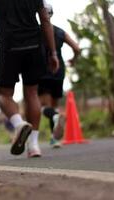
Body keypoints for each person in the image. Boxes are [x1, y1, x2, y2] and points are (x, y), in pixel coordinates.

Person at [0, 0, 59, 157]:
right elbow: (45, 19)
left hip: (9, 47)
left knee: (4, 95)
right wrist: (53, 52)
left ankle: (18, 123)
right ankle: (34, 146)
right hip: (34, 46)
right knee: (32, 93)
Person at [39, 4, 81, 148]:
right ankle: (55, 139)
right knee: (54, 106)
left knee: (43, 106)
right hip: (59, 71)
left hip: (42, 71)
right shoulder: (60, 32)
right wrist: (73, 60)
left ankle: (55, 118)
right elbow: (76, 48)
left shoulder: (36, 31)